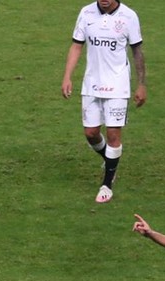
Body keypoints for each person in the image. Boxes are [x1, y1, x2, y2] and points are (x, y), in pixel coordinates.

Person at [61, 0, 147, 204]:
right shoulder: (86, 13)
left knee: (113, 134)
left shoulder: (129, 16)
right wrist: (67, 76)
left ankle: (107, 184)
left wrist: (141, 84)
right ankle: (110, 161)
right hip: (92, 83)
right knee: (90, 133)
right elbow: (76, 45)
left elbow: (137, 51)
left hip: (118, 85)